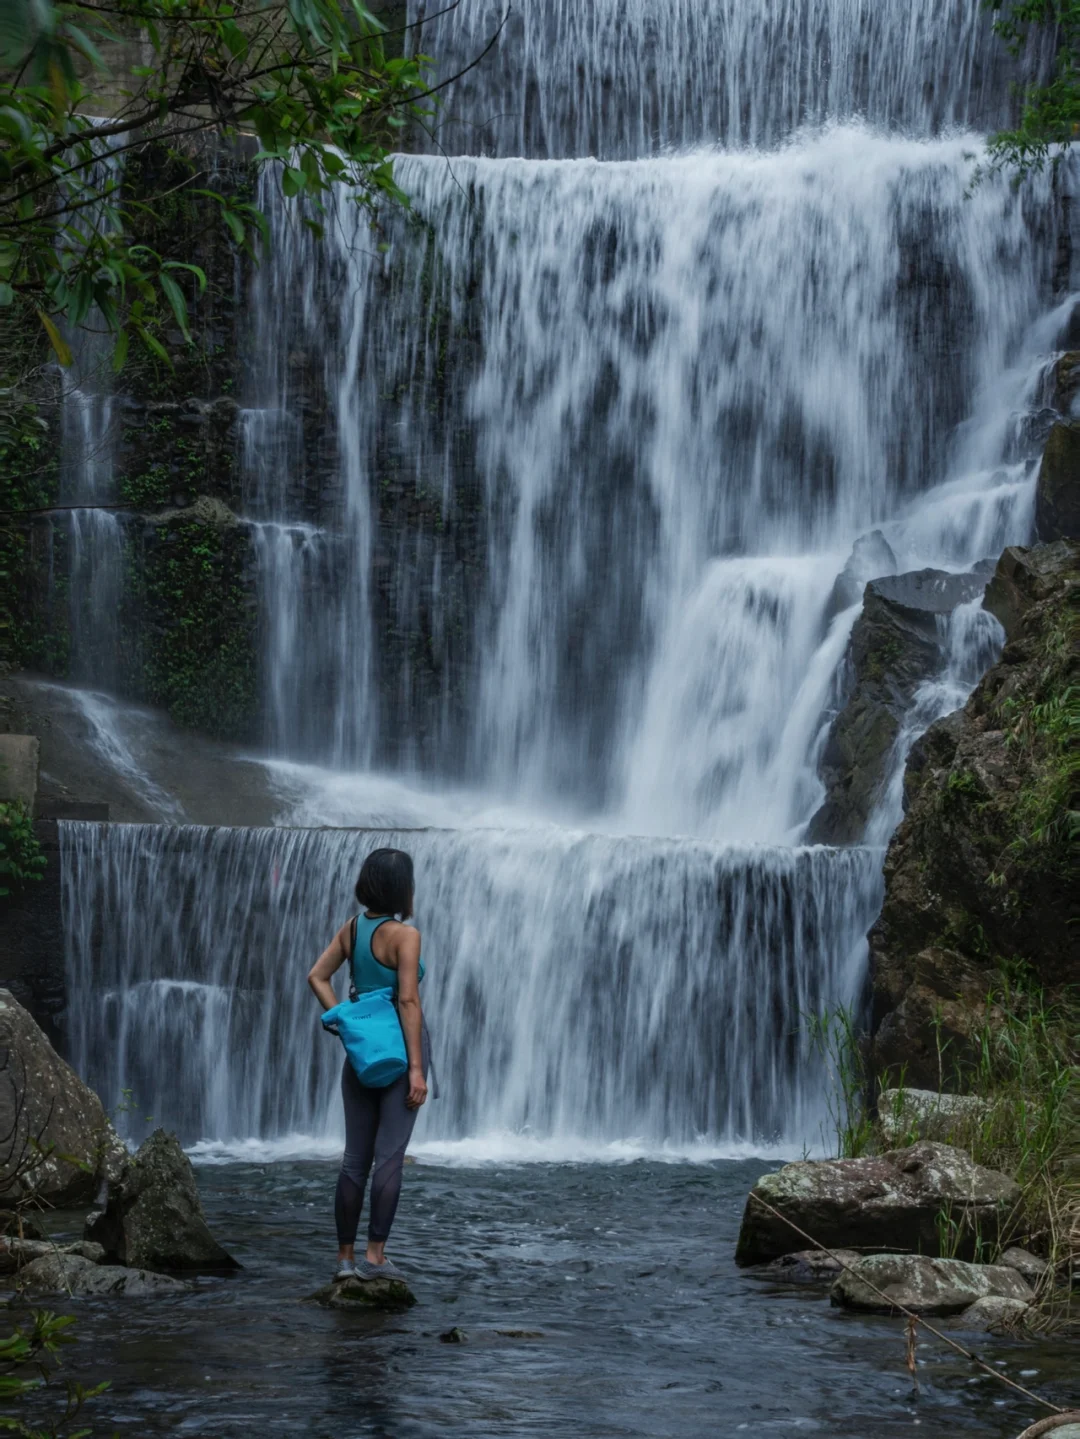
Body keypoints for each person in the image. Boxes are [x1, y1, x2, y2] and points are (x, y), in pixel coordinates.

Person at [307, 847, 429, 1281]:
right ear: (402, 888)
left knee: (354, 1159)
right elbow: (409, 1000)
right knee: (390, 1157)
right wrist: (415, 1069)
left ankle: (344, 1260)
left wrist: (343, 1019)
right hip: (399, 1047)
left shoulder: (353, 928)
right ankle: (375, 1256)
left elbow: (316, 976)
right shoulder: (405, 936)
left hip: (361, 1050)